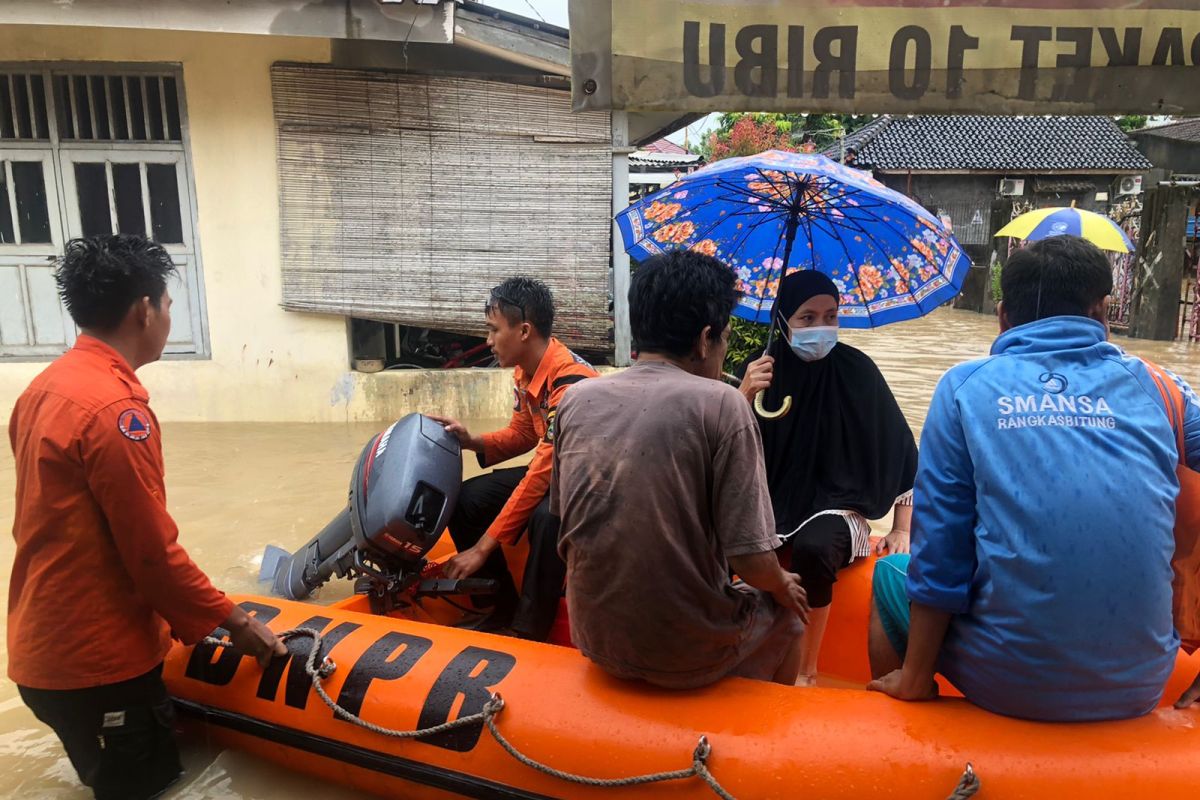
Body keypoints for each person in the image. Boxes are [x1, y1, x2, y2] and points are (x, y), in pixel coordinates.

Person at [867, 235, 1200, 720]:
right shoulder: (1163, 388)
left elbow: (940, 545)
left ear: (1003, 315)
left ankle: (909, 698)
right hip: (1142, 681)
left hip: (1008, 682)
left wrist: (920, 674)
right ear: (1103, 311)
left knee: (887, 575)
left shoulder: (964, 387)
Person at [7, 235, 286, 800]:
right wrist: (237, 623)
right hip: (99, 665)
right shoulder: (115, 414)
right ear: (144, 309)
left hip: (43, 649)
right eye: (168, 303)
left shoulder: (42, 389)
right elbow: (152, 555)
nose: (168, 315)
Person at [551, 249, 810, 689]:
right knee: (790, 611)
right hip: (682, 655)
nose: (724, 351)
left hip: (594, 638)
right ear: (705, 339)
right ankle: (776, 720)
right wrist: (783, 582)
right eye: (725, 338)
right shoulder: (724, 404)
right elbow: (751, 561)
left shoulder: (576, 399)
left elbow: (564, 516)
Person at [739, 270, 917, 686]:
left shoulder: (858, 371)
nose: (821, 328)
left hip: (838, 504)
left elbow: (900, 450)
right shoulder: (761, 373)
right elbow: (723, 447)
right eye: (807, 318)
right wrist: (743, 394)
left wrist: (901, 527)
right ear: (783, 322)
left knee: (816, 547)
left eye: (830, 316)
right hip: (770, 502)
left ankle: (806, 670)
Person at [433, 277, 597, 640]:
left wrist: (482, 547)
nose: (488, 341)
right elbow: (523, 434)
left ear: (523, 331)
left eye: (493, 330)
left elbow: (541, 474)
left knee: (546, 516)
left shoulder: (570, 381)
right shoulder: (526, 372)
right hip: (556, 471)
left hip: (589, 480)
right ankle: (499, 604)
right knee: (466, 499)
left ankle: (530, 629)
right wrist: (471, 440)